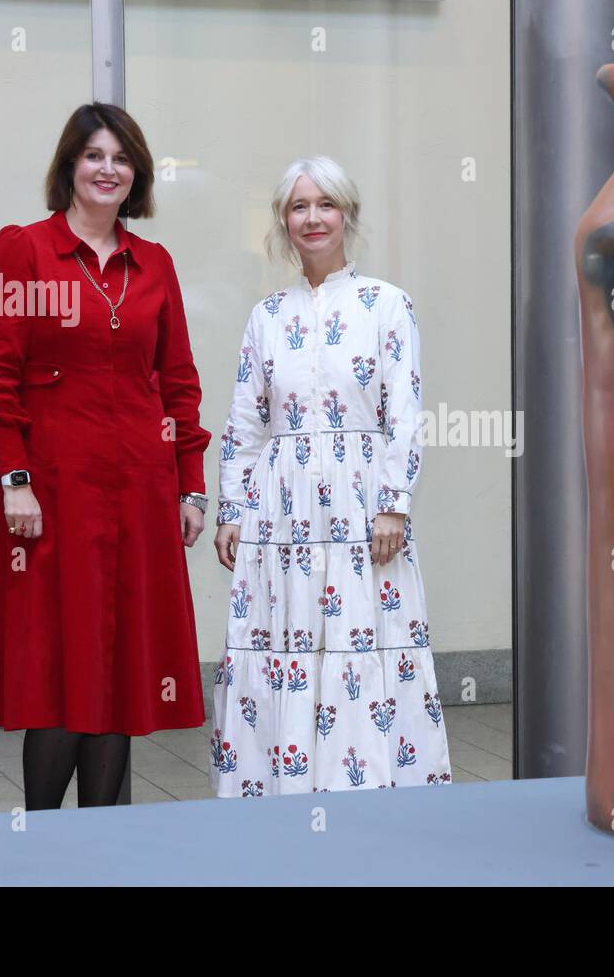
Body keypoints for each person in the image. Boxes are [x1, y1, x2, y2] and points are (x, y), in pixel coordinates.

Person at [0, 103, 212, 811]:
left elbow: (178, 383)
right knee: (58, 669)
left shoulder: (154, 264)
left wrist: (190, 487)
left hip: (139, 490)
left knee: (120, 670)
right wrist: (16, 479)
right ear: (70, 165)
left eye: (122, 158)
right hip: (52, 493)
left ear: (138, 176)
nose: (108, 169)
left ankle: (103, 847)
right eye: (94, 155)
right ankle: (43, 842)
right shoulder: (19, 250)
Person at [209, 156, 452, 795]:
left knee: (360, 645)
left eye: (325, 204)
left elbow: (404, 412)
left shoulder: (387, 306)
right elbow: (246, 420)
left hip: (363, 509)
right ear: (282, 222)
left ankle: (366, 801)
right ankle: (281, 799)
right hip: (281, 513)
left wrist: (395, 502)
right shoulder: (266, 316)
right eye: (298, 206)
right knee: (285, 646)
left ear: (347, 214)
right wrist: (232, 507)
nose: (312, 218)